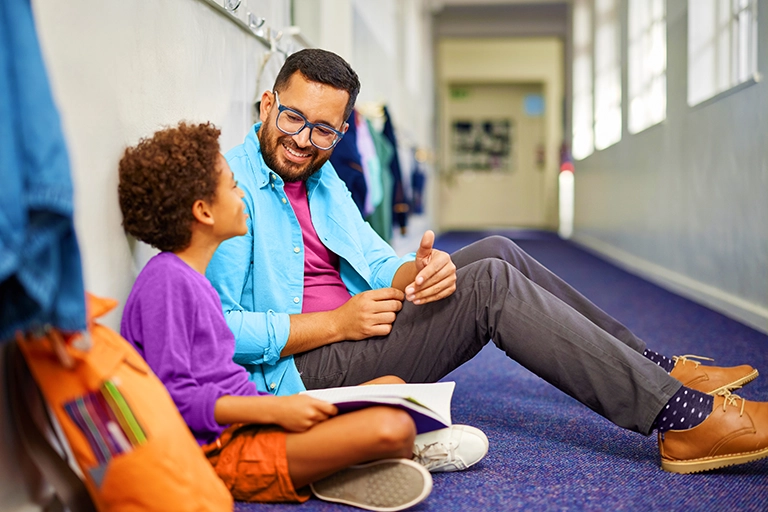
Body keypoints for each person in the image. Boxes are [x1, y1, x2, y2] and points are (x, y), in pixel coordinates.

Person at [206, 48, 768, 475]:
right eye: (293, 119)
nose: (304, 140)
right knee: (493, 286)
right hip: (303, 371)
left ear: (343, 131)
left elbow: (376, 259)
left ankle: (656, 366)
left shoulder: (322, 177)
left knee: (495, 250)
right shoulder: (232, 191)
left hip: (361, 324)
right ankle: (680, 418)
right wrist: (337, 323)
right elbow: (218, 334)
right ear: (267, 105)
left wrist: (418, 272)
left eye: (325, 129)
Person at [116, 122, 487, 511]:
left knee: (392, 386)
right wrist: (275, 409)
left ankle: (343, 463)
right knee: (392, 427)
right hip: (220, 452)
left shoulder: (191, 281)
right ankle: (371, 459)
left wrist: (276, 408)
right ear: (203, 211)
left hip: (253, 420)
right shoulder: (166, 283)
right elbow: (178, 399)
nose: (241, 191)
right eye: (230, 185)